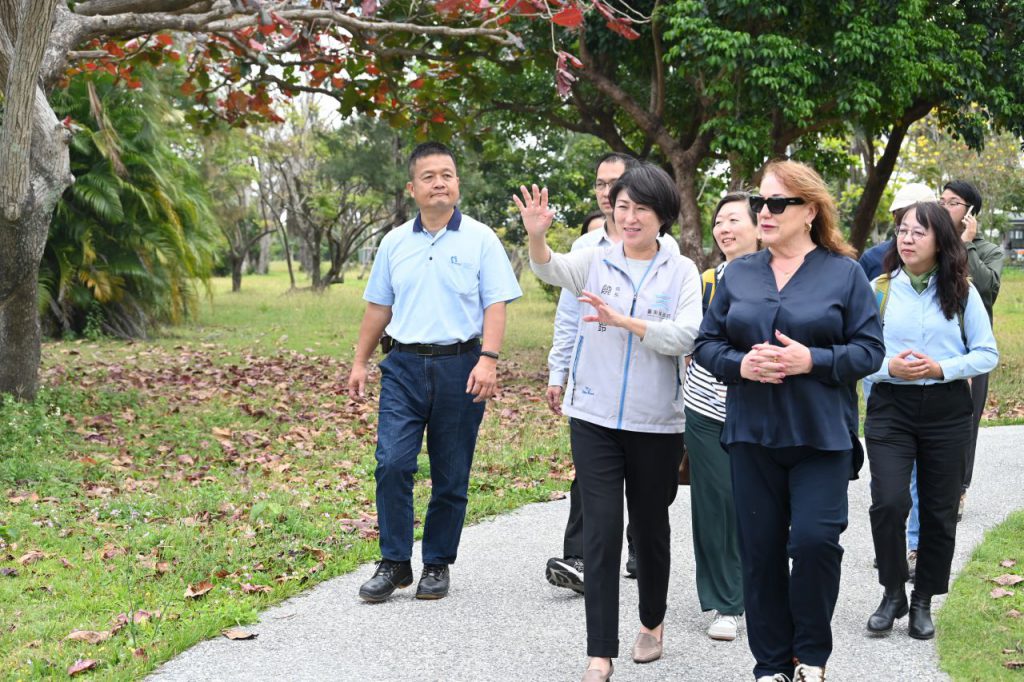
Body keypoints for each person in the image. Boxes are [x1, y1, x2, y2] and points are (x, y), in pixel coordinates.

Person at [693, 160, 884, 682]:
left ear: (810, 210)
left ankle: (811, 656)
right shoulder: (738, 274)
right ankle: (772, 666)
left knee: (816, 544)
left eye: (777, 203)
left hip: (821, 437)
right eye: (760, 202)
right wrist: (740, 365)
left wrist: (812, 360)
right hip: (752, 436)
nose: (765, 212)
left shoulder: (844, 273)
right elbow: (706, 344)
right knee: (761, 554)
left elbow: (870, 351)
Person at [518, 163, 702, 682]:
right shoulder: (594, 259)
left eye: (642, 208)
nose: (630, 217)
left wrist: (626, 322)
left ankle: (652, 622)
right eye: (623, 207)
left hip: (656, 423)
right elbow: (550, 269)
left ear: (662, 215)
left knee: (649, 527)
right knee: (600, 532)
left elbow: (687, 335)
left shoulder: (681, 271)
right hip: (593, 416)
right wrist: (537, 237)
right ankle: (599, 652)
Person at [347, 142, 522, 603]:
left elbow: (496, 304)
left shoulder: (481, 239)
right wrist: (360, 361)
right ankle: (394, 562)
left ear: (457, 183)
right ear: (412, 188)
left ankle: (437, 563)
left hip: (461, 366)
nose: (439, 183)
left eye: (447, 174)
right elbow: (379, 307)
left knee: (451, 472)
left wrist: (489, 359)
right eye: (429, 176)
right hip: (403, 366)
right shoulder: (394, 243)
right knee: (392, 463)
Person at [544, 154, 680, 593]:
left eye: (617, 184)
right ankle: (580, 558)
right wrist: (558, 370)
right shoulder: (587, 250)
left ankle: (640, 549)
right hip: (595, 394)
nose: (609, 194)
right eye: (602, 185)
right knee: (592, 481)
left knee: (648, 492)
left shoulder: (670, 255)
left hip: (648, 400)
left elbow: (680, 331)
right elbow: (569, 314)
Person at [863, 202, 998, 639]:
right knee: (888, 502)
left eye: (918, 232)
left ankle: (922, 601)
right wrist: (888, 368)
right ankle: (892, 593)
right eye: (902, 231)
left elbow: (987, 353)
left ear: (940, 240)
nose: (907, 239)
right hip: (891, 408)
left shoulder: (962, 291)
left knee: (939, 512)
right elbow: (858, 353)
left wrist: (942, 368)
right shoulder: (879, 289)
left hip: (947, 410)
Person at [903, 180, 1004, 578]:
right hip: (918, 363)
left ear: (971, 211)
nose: (945, 207)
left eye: (954, 202)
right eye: (941, 200)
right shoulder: (925, 244)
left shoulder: (988, 250)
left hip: (967, 357)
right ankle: (915, 531)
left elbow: (986, 288)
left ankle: (958, 488)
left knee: (967, 425)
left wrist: (965, 244)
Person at [682, 192, 758, 642]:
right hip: (705, 407)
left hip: (762, 408)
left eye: (734, 220)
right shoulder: (706, 281)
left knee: (759, 504)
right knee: (715, 504)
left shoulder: (780, 276)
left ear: (760, 226)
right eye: (719, 221)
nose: (723, 229)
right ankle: (726, 603)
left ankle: (760, 587)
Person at [859, 183, 937, 281]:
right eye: (903, 213)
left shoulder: (949, 260)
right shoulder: (872, 259)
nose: (910, 217)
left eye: (919, 215)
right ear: (894, 217)